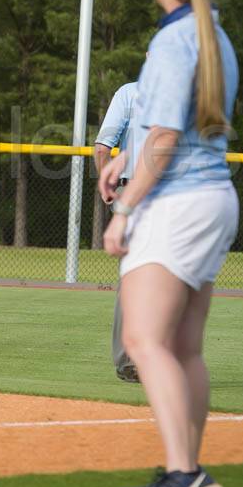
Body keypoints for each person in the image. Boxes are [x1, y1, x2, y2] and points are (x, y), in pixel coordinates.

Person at [98, 0, 239, 487]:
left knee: (142, 340)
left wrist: (126, 207)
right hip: (216, 197)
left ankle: (184, 475)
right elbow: (176, 127)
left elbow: (163, 137)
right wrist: (127, 159)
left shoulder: (171, 41)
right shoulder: (216, 38)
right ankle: (188, 473)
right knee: (184, 348)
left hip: (177, 203)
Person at [93, 80, 139, 383]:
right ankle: (130, 359)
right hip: (140, 194)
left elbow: (102, 147)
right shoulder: (131, 92)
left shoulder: (133, 92)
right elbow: (103, 146)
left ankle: (140, 357)